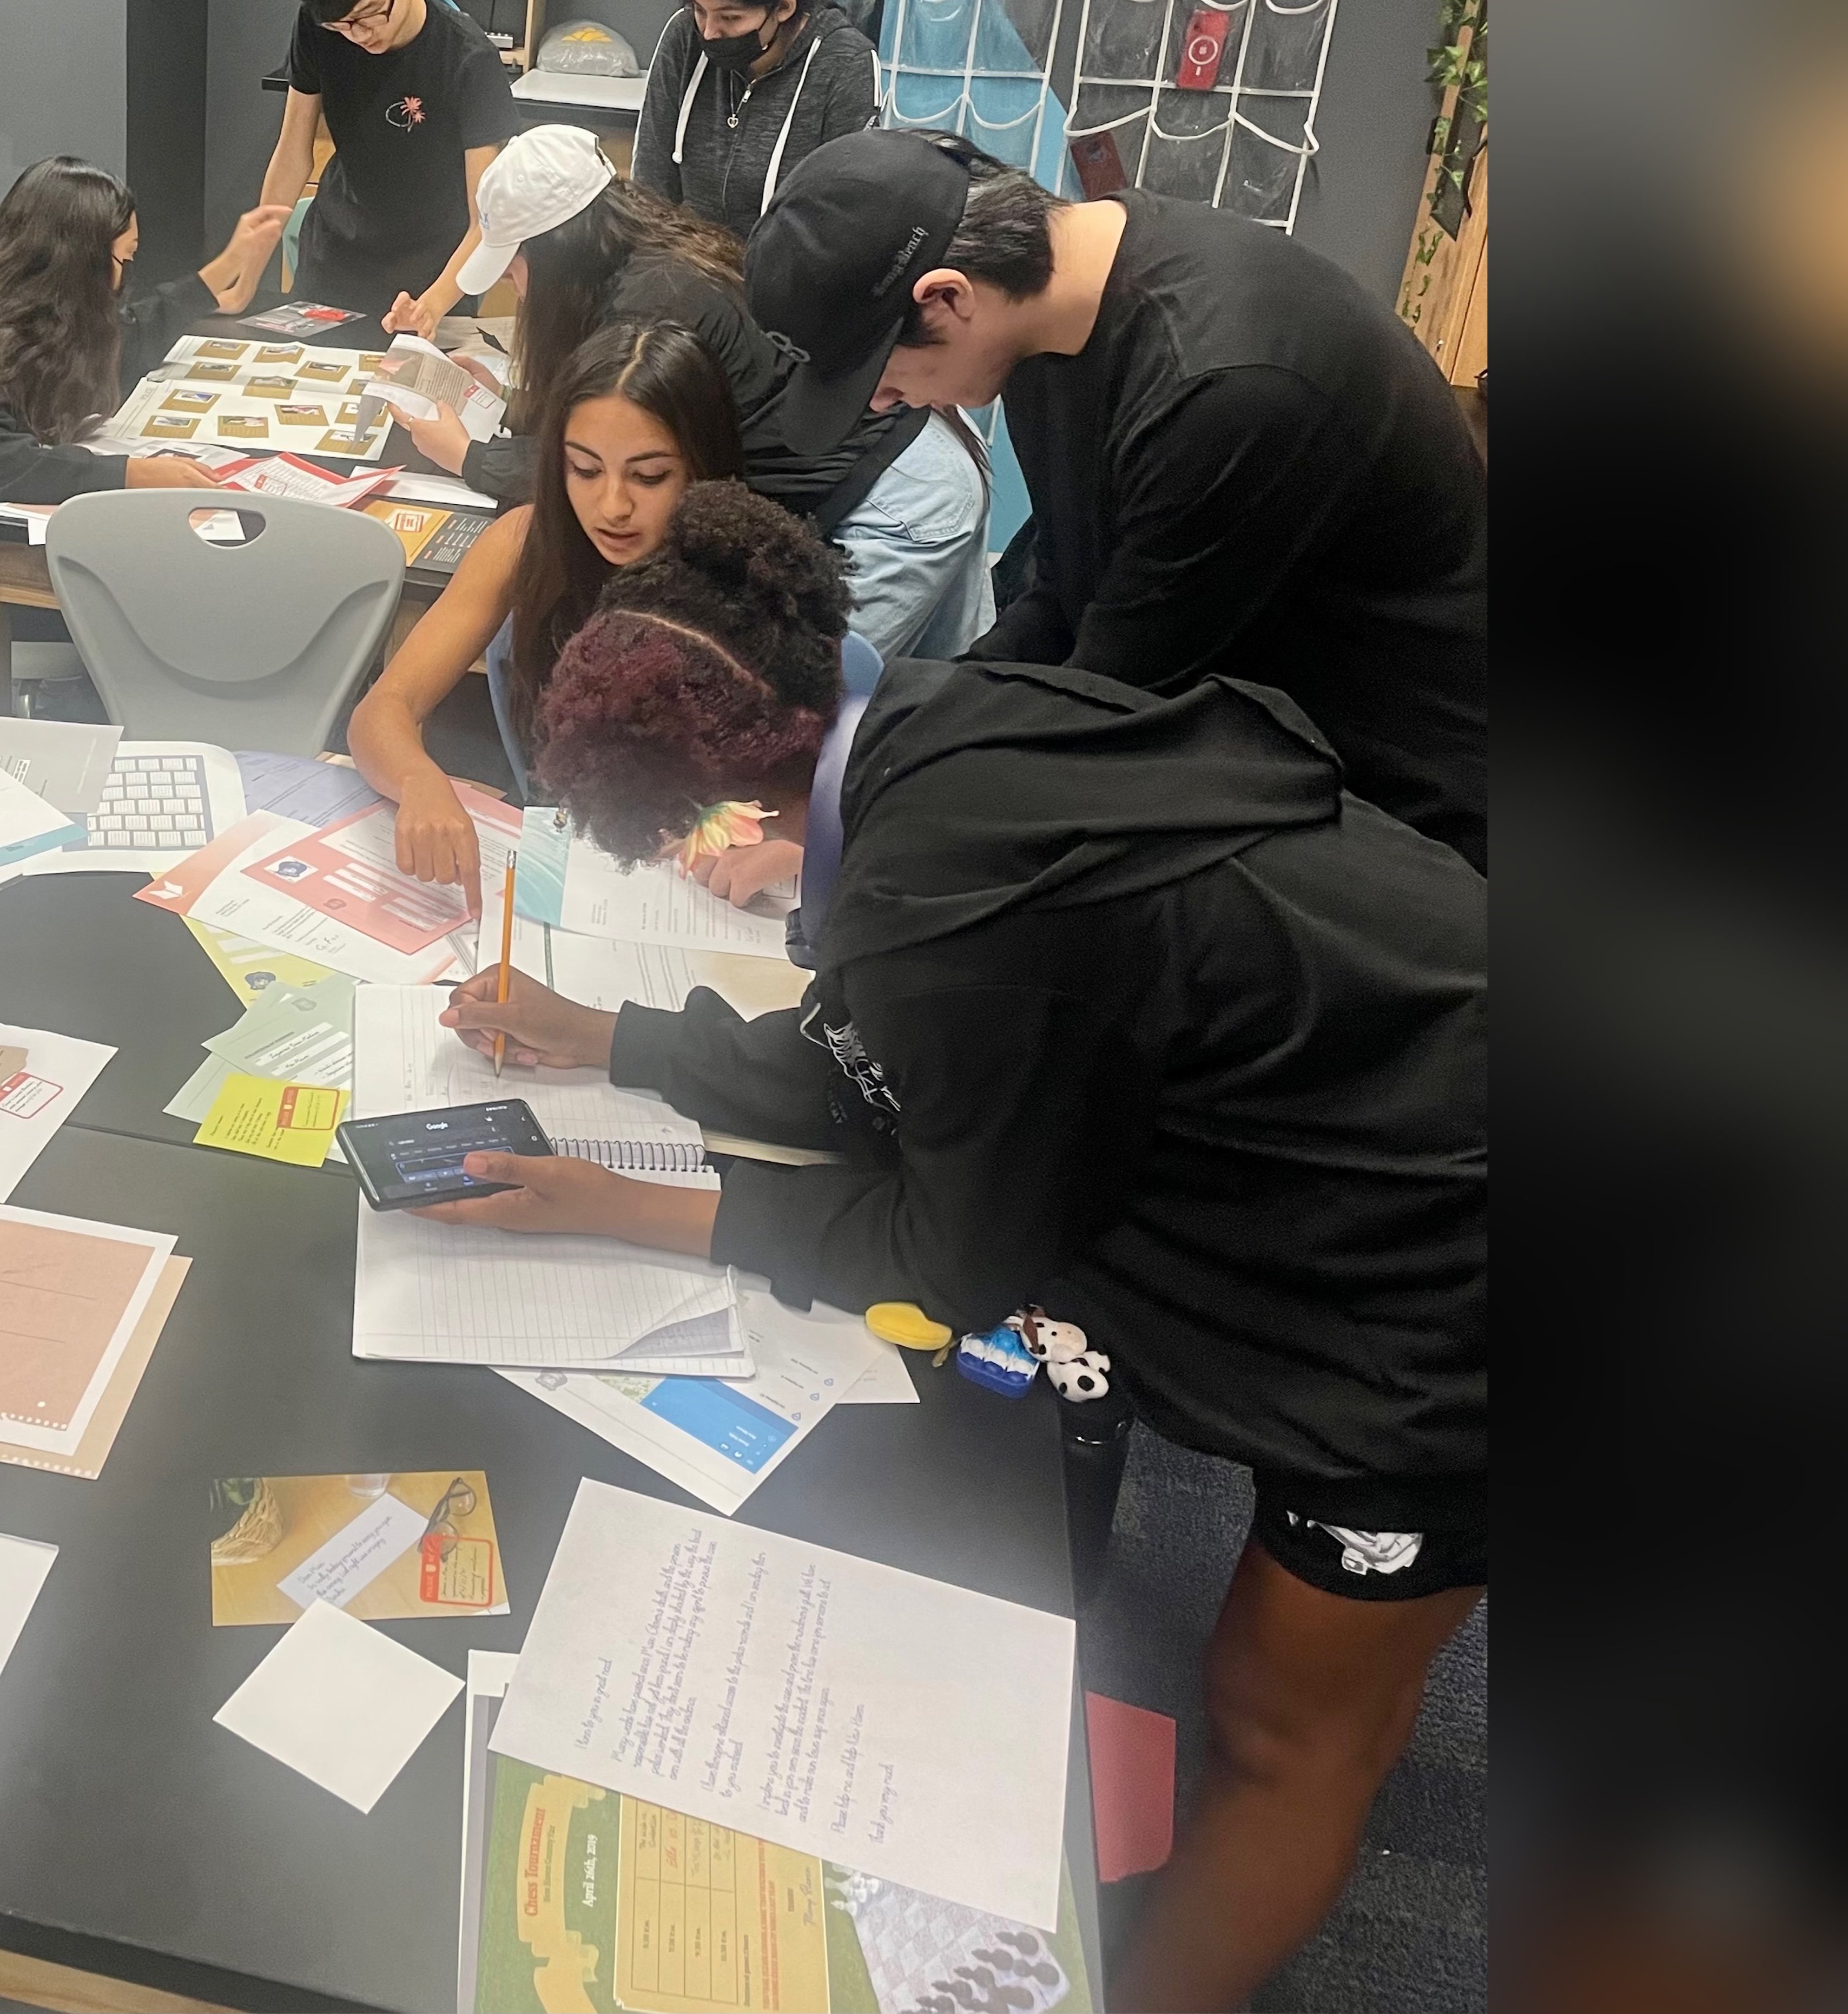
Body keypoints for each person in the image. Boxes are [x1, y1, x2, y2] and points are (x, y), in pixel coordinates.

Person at [420, 484, 1487, 2014]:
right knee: (1272, 1691)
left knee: (1284, 1727)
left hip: (1446, 1260)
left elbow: (947, 1255)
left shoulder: (940, 889)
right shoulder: (932, 726)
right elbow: (885, 1059)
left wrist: (619, 1200)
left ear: (734, 793)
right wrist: (613, 1036)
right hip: (1388, 1101)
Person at [748, 127, 1489, 871]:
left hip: (1408, 826)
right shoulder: (1052, 323)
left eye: (876, 372)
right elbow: (1064, 601)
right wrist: (861, 743)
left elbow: (1102, 715)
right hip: (1261, 756)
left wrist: (854, 830)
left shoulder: (1221, 388)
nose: (880, 405)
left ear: (947, 297)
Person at [391, 123, 992, 666]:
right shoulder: (648, 261)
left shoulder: (653, 307)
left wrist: (467, 456)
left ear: (559, 250)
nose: (508, 283)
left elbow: (606, 454)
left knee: (798, 711)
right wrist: (516, 396)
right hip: (909, 468)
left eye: (514, 265)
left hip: (895, 501)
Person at [349, 323, 743, 900]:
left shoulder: (748, 569)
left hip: (695, 884)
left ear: (701, 466)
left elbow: (803, 788)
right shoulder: (524, 540)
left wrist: (779, 837)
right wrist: (417, 779)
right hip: (563, 861)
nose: (611, 505)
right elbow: (385, 707)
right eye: (584, 470)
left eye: (649, 476)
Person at [0, 159, 288, 660]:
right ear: (79, 263)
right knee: (193, 601)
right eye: (122, 262)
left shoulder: (19, 309)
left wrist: (217, 276)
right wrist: (132, 473)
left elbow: (119, 342)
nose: (122, 280)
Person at [258, 0, 518, 333]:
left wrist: (433, 304)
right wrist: (252, 251)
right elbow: (293, 154)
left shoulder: (467, 59)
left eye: (370, 15)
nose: (357, 36)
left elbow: (486, 218)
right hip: (334, 258)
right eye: (340, 26)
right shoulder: (319, 26)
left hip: (434, 274)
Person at [633, 0, 880, 234]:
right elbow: (652, 179)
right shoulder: (685, 36)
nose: (709, 32)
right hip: (685, 265)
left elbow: (843, 213)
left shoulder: (845, 62)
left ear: (783, 8)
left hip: (783, 275)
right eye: (700, 10)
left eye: (731, 18)